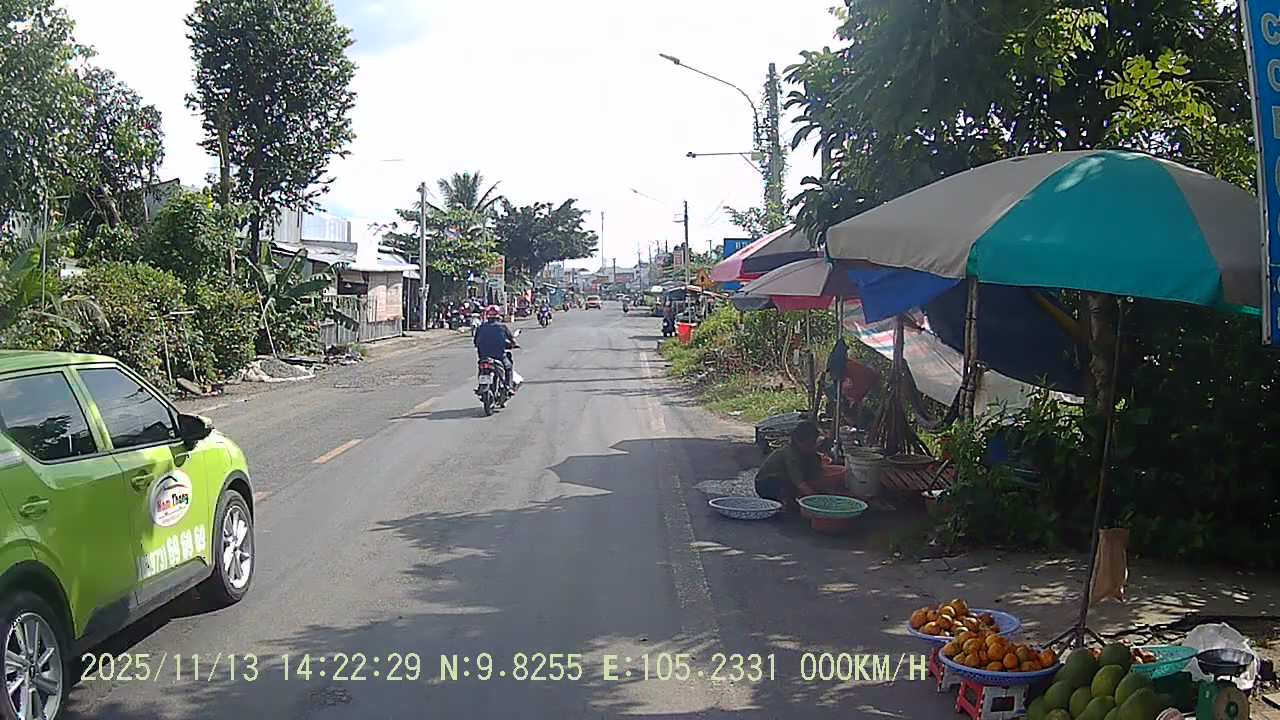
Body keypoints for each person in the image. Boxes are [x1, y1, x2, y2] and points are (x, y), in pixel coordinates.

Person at [754, 421, 824, 511]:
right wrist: (816, 499)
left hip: (783, 478)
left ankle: (792, 498)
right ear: (799, 441)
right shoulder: (790, 454)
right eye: (810, 443)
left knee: (814, 459)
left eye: (814, 442)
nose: (812, 446)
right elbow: (799, 482)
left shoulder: (805, 451)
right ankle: (784, 501)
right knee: (785, 483)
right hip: (765, 484)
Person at [473, 305, 518, 389]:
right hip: (499, 356)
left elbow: (475, 342)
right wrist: (513, 344)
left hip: (484, 357)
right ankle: (508, 386)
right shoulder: (502, 327)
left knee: (481, 367)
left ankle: (480, 386)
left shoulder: (481, 327)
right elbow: (512, 340)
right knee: (508, 367)